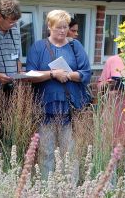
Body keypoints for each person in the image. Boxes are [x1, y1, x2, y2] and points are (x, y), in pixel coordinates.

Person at [26, 9, 91, 179]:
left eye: (65, 27)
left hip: (69, 108)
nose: (62, 31)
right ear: (49, 26)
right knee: (46, 152)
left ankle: (70, 188)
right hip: (45, 107)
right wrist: (53, 74)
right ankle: (46, 189)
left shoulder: (74, 46)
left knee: (69, 153)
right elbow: (30, 75)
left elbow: (86, 73)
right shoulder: (38, 47)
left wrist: (67, 75)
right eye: (58, 27)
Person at [98, 53, 125, 188]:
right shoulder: (112, 60)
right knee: (112, 148)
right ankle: (109, 188)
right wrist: (108, 84)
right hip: (114, 109)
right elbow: (100, 87)